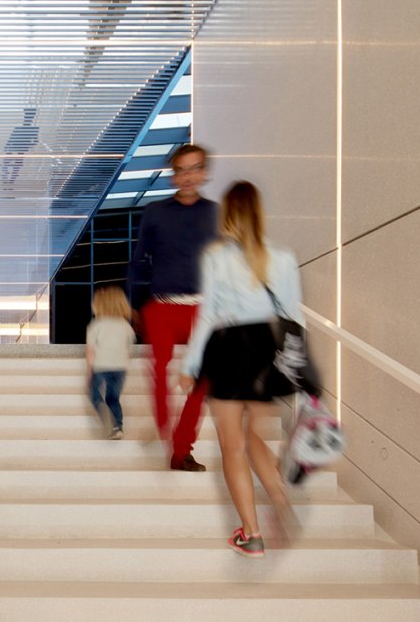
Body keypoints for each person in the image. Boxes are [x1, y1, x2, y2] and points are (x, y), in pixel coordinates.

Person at [179, 180, 301, 557]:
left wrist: (191, 364)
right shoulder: (283, 258)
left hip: (230, 349)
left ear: (228, 215)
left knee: (232, 447)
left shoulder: (218, 257)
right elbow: (293, 317)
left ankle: (252, 533)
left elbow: (208, 315)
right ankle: (278, 496)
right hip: (266, 351)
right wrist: (295, 367)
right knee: (253, 439)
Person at [126, 142, 217, 470]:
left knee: (202, 379)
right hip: (162, 306)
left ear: (204, 173)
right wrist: (135, 304)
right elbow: (138, 261)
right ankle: (166, 428)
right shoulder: (155, 213)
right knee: (160, 370)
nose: (189, 176)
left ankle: (182, 450)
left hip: (203, 310)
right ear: (173, 176)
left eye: (195, 169)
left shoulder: (215, 214)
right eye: (182, 170)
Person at [85, 286, 136, 439]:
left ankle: (103, 410)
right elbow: (129, 349)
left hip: (101, 366)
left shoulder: (96, 325)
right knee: (113, 398)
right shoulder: (126, 326)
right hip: (120, 367)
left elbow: (90, 351)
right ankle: (118, 427)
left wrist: (89, 372)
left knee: (95, 395)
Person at [1, 107, 40, 186]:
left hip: (20, 148)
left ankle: (10, 179)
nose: (28, 119)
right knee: (9, 163)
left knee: (14, 164)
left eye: (30, 117)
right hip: (18, 147)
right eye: (27, 116)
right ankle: (7, 178)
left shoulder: (33, 129)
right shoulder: (27, 129)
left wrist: (28, 144)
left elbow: (35, 141)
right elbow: (11, 138)